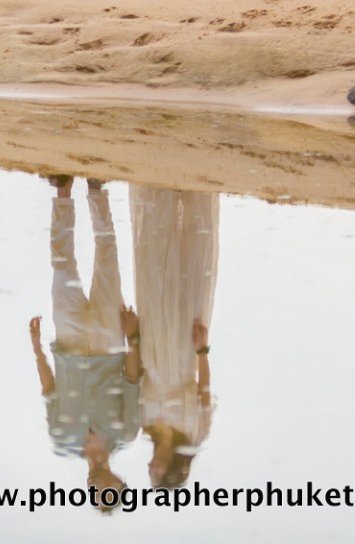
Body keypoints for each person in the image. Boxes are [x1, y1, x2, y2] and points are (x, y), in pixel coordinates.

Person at [27, 175, 141, 507]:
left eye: (97, 496)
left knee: (62, 265)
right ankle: (96, 190)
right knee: (108, 260)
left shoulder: (61, 438)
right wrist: (132, 335)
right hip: (109, 340)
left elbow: (49, 390)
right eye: (110, 493)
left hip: (68, 341)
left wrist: (35, 346)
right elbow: (133, 379)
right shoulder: (125, 434)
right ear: (119, 483)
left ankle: (63, 192)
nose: (99, 488)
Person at [129, 184, 219, 487]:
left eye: (149, 473)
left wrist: (134, 337)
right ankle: (192, 194)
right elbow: (204, 391)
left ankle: (161, 194)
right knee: (188, 273)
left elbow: (138, 376)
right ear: (171, 471)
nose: (150, 468)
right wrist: (202, 351)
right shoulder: (194, 433)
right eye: (156, 474)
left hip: (153, 348)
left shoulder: (146, 427)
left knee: (155, 273)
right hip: (183, 355)